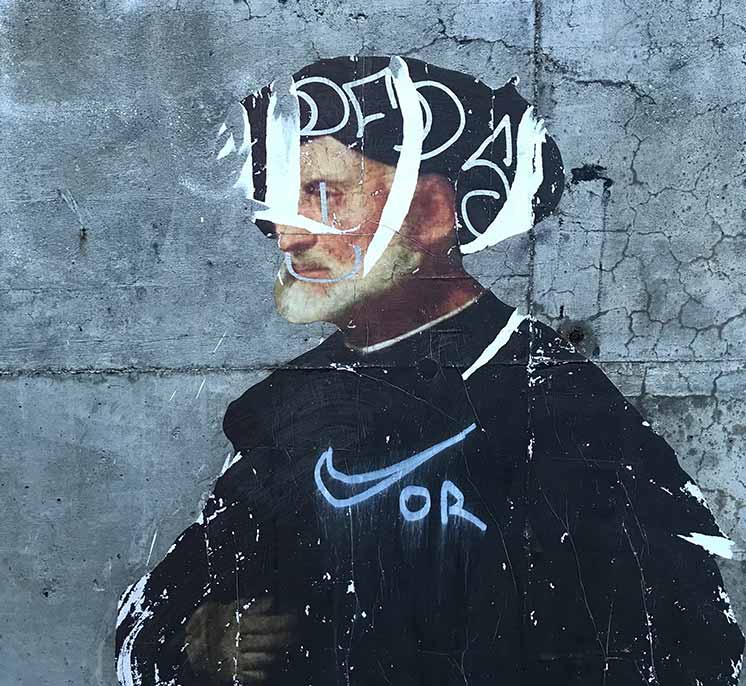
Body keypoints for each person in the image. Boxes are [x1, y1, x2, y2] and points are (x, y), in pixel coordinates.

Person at [116, 56, 744, 686]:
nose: (287, 237)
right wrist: (200, 642)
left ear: (433, 211)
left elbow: (693, 651)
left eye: (322, 194)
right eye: (279, 204)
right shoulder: (282, 411)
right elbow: (157, 614)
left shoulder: (557, 407)